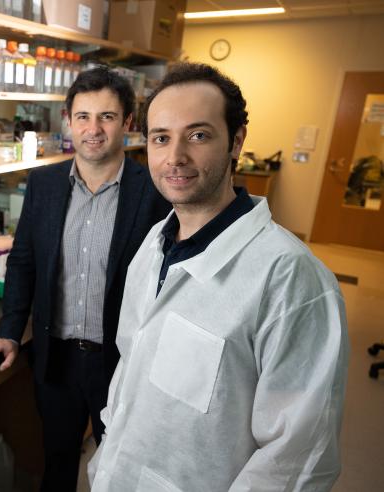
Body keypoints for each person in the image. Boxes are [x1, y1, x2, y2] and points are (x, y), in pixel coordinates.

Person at [88, 62, 349, 491]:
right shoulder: (156, 243)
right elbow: (130, 368)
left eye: (198, 135)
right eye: (161, 138)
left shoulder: (291, 279)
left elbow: (298, 458)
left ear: (236, 142)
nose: (175, 158)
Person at [0, 67, 171, 490]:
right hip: (56, 357)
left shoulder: (154, 189)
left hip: (120, 361)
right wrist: (9, 333)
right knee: (58, 460)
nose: (94, 129)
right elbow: (23, 261)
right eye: (83, 116)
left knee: (121, 469)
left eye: (107, 116)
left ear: (128, 122)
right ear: (67, 119)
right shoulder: (44, 183)